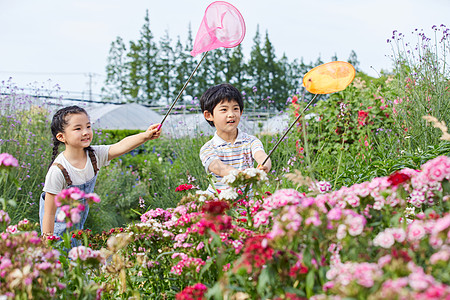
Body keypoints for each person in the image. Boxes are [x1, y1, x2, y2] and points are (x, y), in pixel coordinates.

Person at [40, 105, 161, 244]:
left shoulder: (94, 155)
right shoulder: (58, 170)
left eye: (88, 126)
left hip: (76, 230)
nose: (86, 132)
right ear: (61, 137)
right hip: (56, 233)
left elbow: (120, 146)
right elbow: (48, 214)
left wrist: (145, 136)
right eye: (78, 128)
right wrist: (47, 246)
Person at [199, 83, 271, 194]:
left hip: (246, 203)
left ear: (241, 112)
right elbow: (219, 168)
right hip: (218, 204)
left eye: (235, 109)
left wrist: (264, 165)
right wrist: (244, 176)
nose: (231, 114)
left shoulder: (251, 141)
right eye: (224, 110)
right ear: (209, 115)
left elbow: (261, 155)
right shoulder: (208, 149)